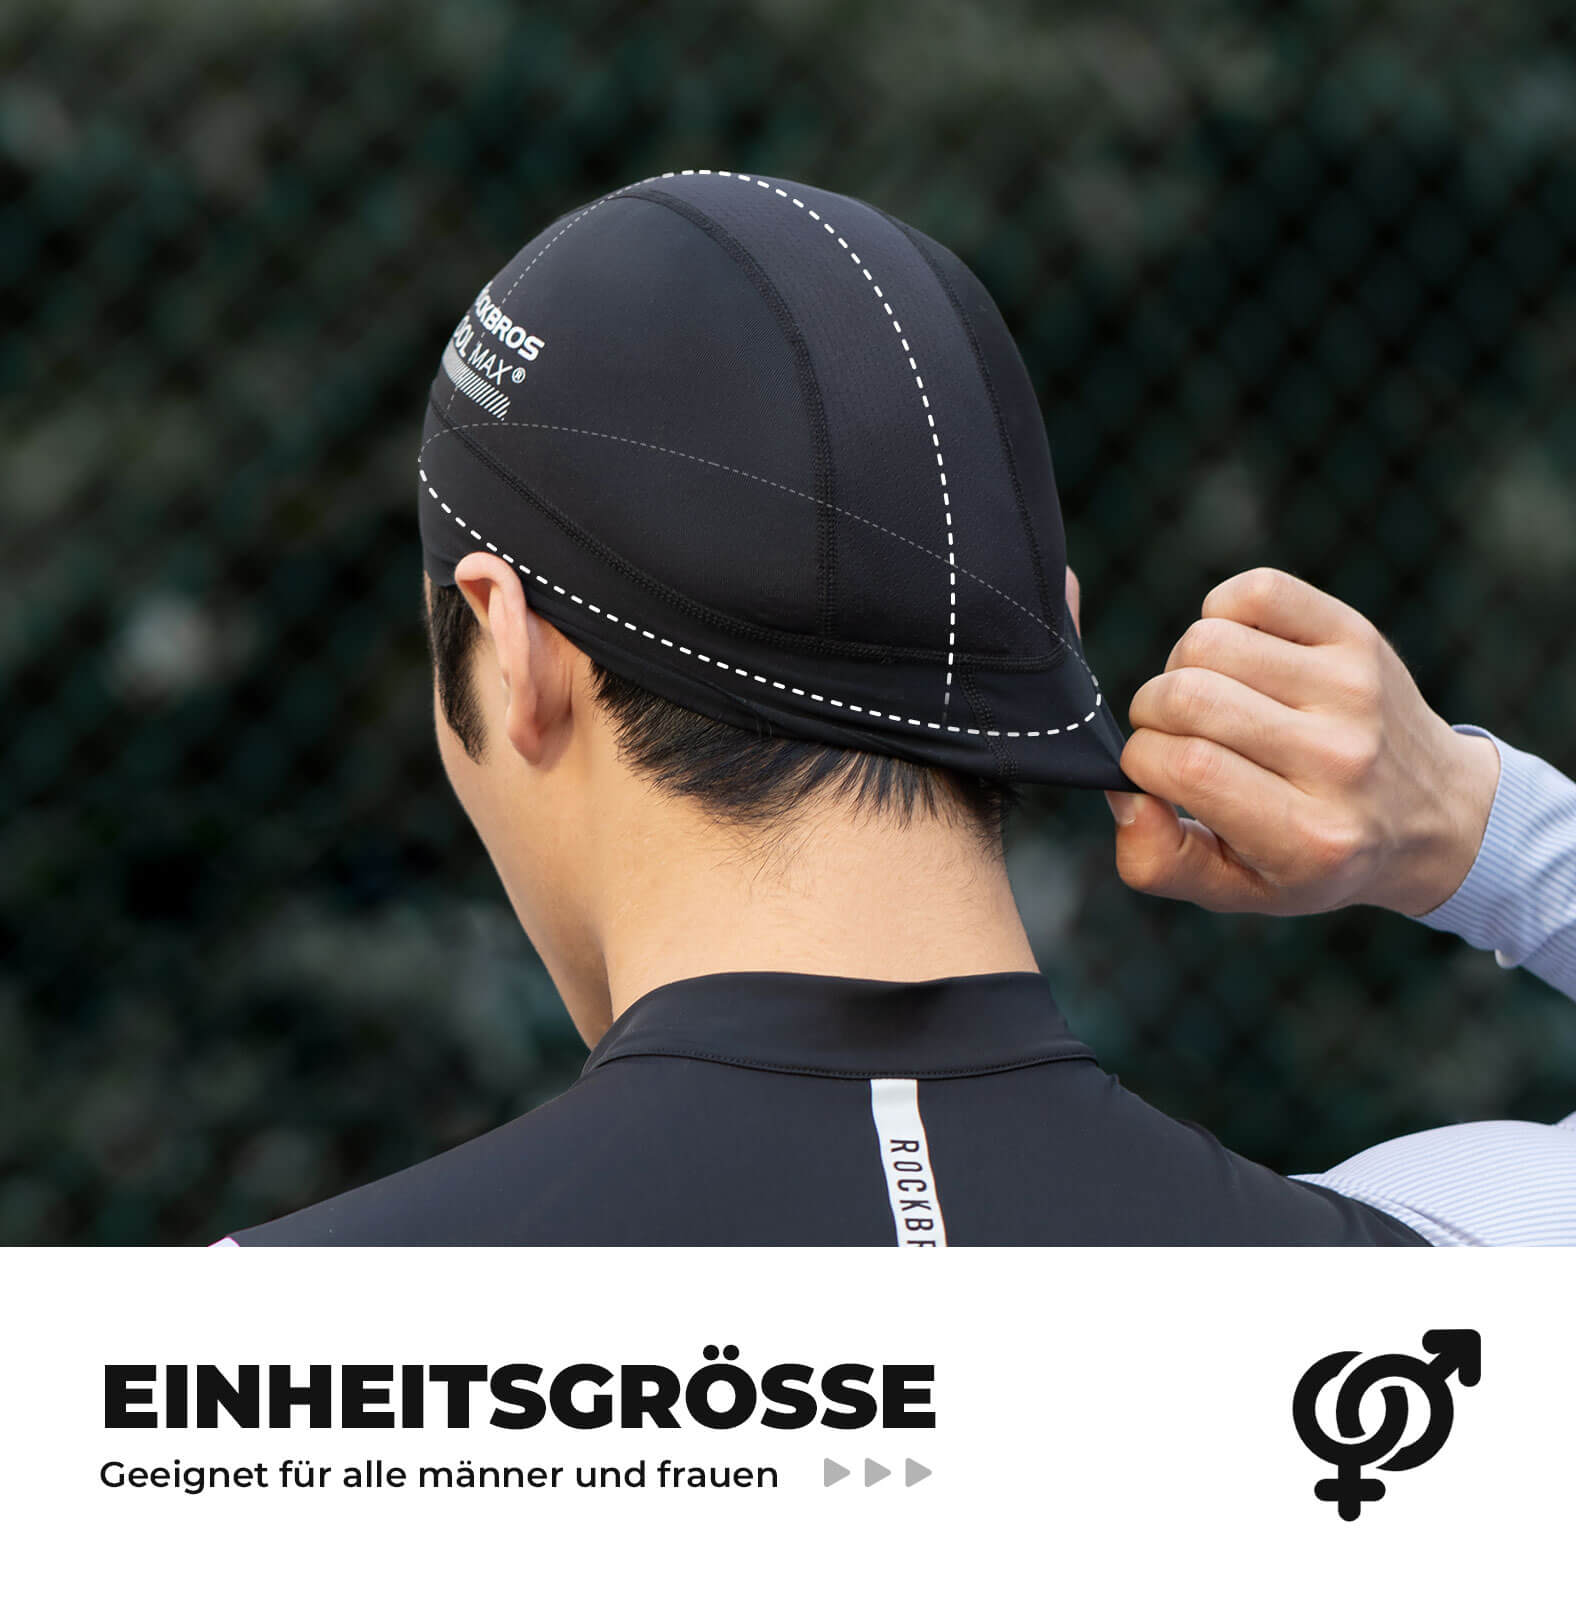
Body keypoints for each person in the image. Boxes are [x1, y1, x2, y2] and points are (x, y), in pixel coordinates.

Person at [218, 172, 1575, 1246]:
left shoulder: (229, 1385)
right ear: (1057, 625)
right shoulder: (1464, 1305)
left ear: (515, 652)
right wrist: (1475, 829)